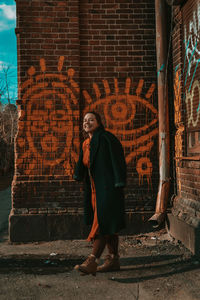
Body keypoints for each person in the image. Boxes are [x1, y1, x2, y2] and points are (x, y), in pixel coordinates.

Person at [73, 111, 126, 276]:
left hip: (108, 189)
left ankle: (92, 260)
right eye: (85, 120)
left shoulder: (107, 139)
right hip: (94, 191)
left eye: (91, 119)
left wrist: (119, 181)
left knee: (101, 223)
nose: (87, 122)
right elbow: (83, 163)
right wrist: (77, 174)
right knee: (109, 224)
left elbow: (118, 160)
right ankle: (113, 259)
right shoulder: (85, 144)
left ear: (98, 122)